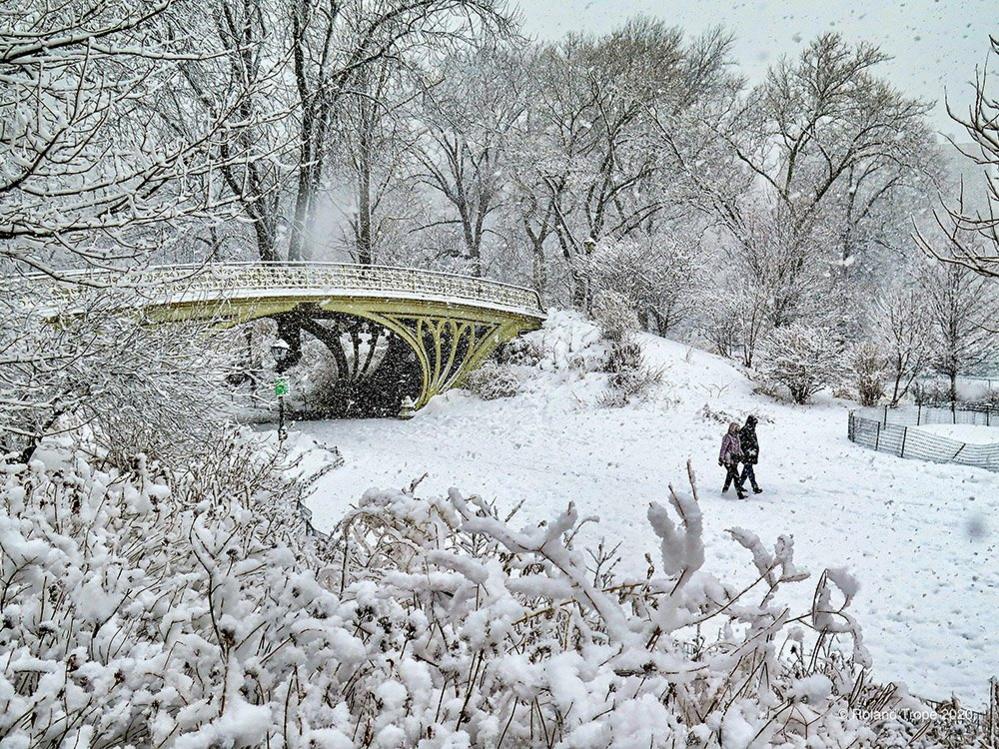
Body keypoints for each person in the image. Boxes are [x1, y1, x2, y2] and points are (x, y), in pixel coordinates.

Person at [718, 421, 747, 499]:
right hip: (728, 460)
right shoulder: (727, 437)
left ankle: (724, 491)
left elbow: (738, 448)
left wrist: (742, 455)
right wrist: (721, 458)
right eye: (736, 429)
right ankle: (739, 494)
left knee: (730, 475)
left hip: (735, 460)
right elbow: (723, 448)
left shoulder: (737, 437)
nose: (738, 430)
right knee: (736, 476)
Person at [739, 415, 763, 494]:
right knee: (749, 471)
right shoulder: (745, 430)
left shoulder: (751, 430)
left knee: (746, 471)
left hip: (751, 454)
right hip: (747, 454)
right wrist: (748, 450)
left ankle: (739, 485)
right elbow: (741, 443)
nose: (755, 425)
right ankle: (755, 487)